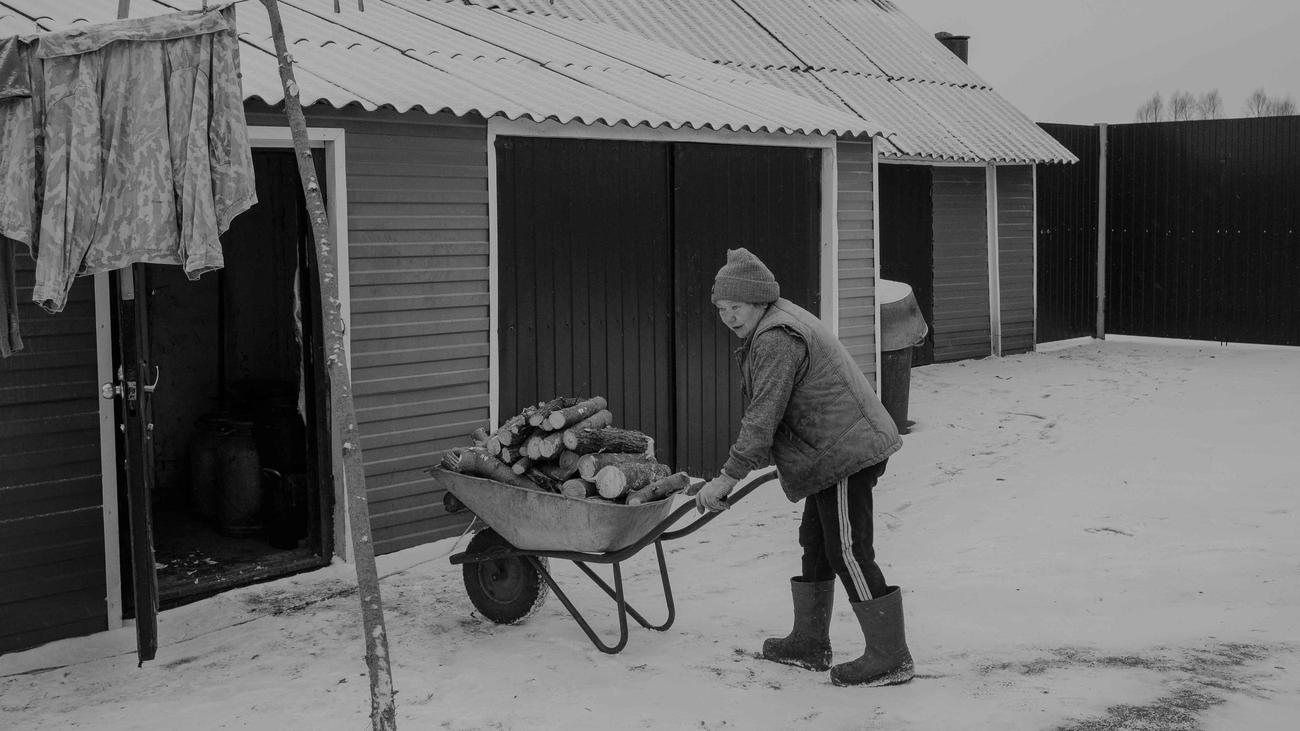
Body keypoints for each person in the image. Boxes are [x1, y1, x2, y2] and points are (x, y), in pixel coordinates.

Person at [693, 247, 914, 687]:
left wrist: (728, 476)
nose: (729, 317)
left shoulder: (775, 337)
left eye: (735, 307)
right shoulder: (775, 320)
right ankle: (809, 642)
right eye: (721, 309)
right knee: (815, 543)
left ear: (756, 301)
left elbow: (764, 414)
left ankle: (891, 656)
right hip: (828, 449)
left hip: (845, 451)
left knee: (847, 550)